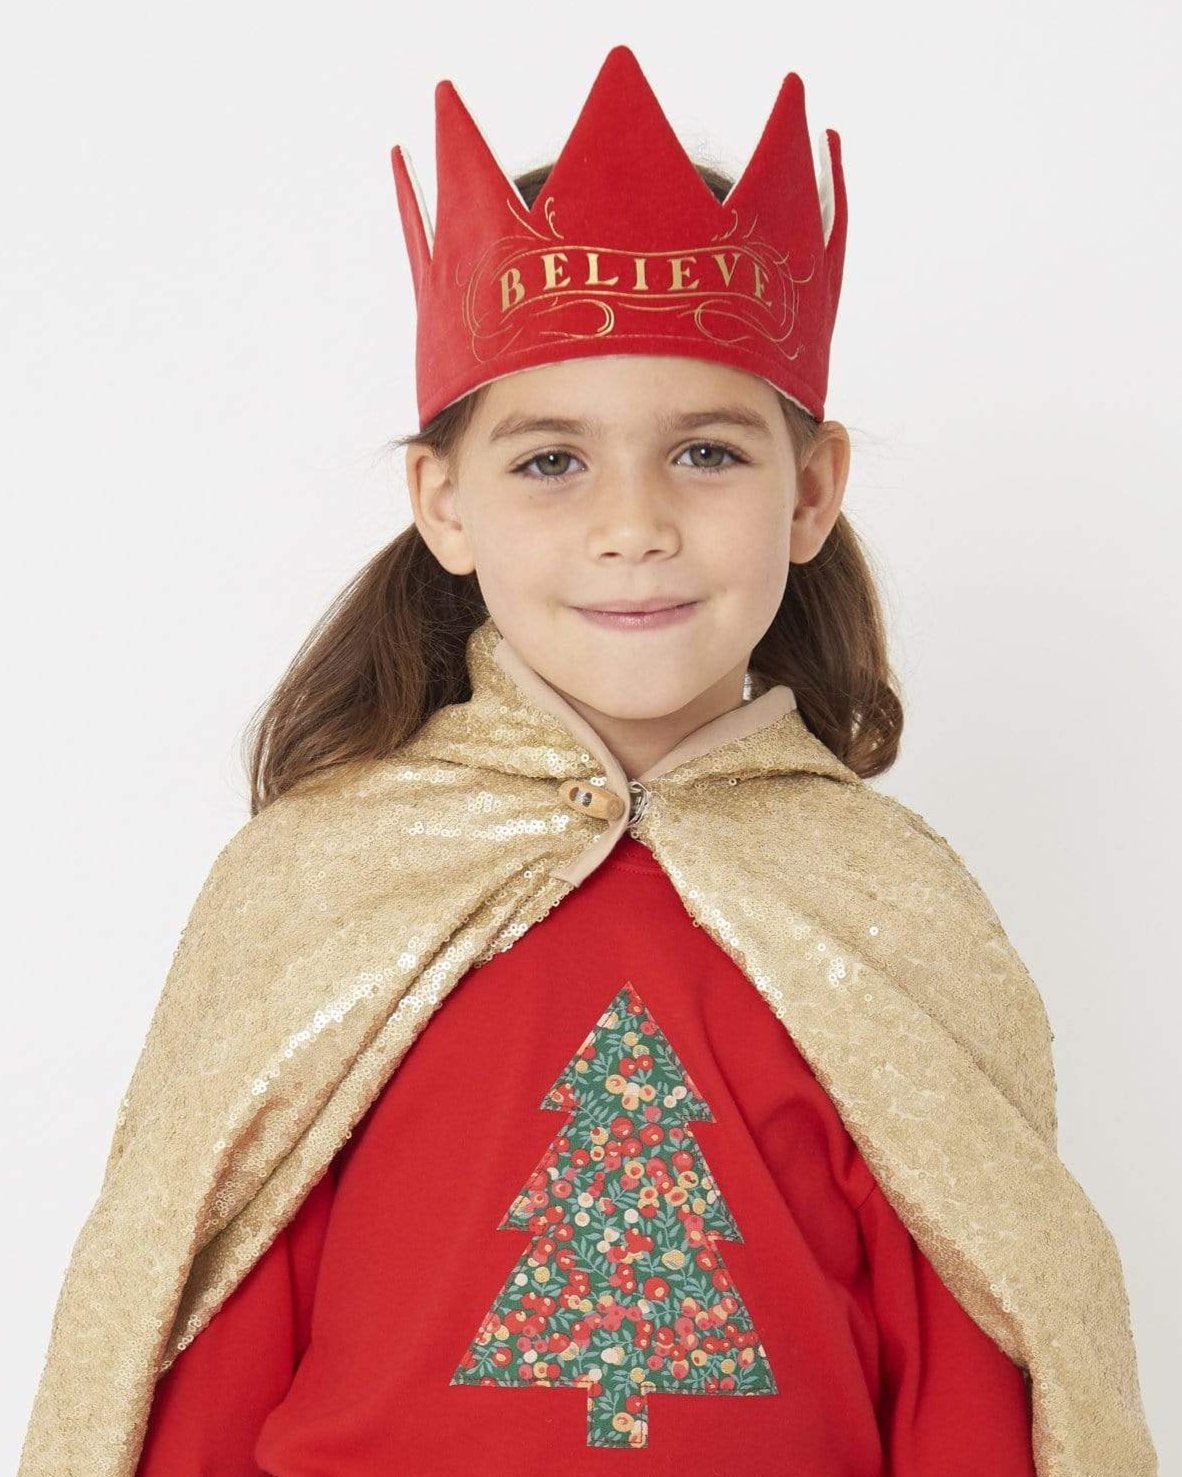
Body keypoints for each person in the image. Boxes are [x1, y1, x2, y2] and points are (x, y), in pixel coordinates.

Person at [18, 43, 1156, 1477]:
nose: (633, 526)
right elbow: (198, 1337)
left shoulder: (890, 904)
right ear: (444, 503)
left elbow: (974, 1374)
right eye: (551, 461)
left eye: (706, 454)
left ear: (811, 490)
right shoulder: (320, 880)